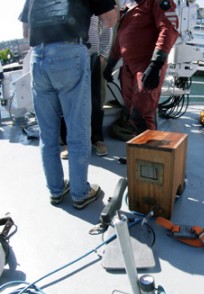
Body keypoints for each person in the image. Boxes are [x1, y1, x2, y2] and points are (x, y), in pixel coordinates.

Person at [19, 0, 118, 209]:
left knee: (47, 134)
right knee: (78, 131)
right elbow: (110, 20)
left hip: (39, 58)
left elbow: (26, 32)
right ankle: (80, 193)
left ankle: (55, 190)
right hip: (70, 54)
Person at [103, 0, 179, 135]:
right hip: (128, 68)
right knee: (130, 112)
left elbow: (169, 29)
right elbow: (121, 37)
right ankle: (136, 154)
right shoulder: (128, 6)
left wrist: (156, 64)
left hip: (146, 66)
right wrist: (111, 63)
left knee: (142, 115)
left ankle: (148, 155)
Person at [60, 16, 114, 159]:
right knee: (68, 102)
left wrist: (103, 53)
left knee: (94, 101)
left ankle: (97, 139)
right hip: (67, 58)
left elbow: (107, 25)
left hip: (92, 58)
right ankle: (68, 142)